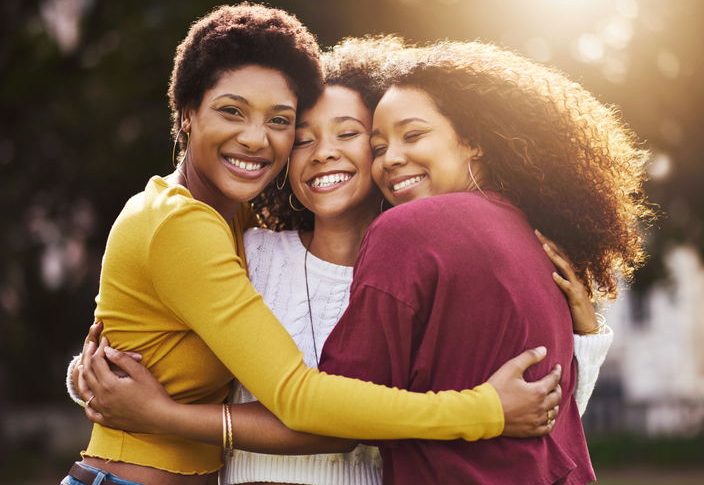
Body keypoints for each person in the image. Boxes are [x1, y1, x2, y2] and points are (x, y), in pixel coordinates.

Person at [70, 38, 613, 485]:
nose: (323, 152)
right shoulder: (248, 250)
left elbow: (536, 416)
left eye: (352, 135)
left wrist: (585, 338)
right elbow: (157, 336)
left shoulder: (430, 267)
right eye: (301, 138)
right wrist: (95, 374)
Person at [317, 39, 653, 484]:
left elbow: (335, 406)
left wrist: (207, 421)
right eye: (378, 148)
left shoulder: (406, 232)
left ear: (473, 141)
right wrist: (588, 335)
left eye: (412, 135)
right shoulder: (536, 239)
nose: (391, 158)